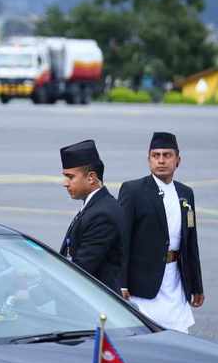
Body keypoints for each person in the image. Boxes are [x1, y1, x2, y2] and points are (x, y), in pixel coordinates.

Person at [118, 132, 204, 333]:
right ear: (148, 160)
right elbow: (122, 240)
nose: (161, 160)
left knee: (178, 336)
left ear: (178, 160)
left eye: (167, 155)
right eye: (156, 155)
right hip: (143, 285)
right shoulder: (133, 190)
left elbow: (191, 242)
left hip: (175, 281)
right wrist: (121, 283)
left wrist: (196, 285)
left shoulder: (185, 193)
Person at [59, 139, 125, 293]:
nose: (65, 183)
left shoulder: (102, 214)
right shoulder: (95, 206)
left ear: (91, 178)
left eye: (70, 177)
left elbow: (81, 269)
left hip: (94, 305)